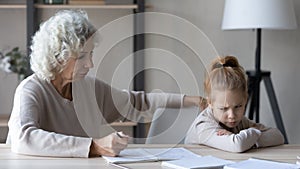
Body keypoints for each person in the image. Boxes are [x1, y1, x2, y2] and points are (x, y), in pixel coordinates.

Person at [6, 9, 207, 158]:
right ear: (58, 57)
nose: (90, 64)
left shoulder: (88, 87)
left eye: (91, 54)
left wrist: (192, 100)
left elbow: (137, 102)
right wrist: (94, 146)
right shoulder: (31, 90)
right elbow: (25, 138)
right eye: (82, 56)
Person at [184, 56, 284, 153]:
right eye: (223, 108)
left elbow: (278, 136)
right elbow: (238, 145)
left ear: (245, 99)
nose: (232, 115)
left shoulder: (240, 122)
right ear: (210, 103)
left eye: (238, 106)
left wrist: (249, 138)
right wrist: (253, 132)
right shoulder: (203, 126)